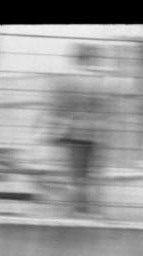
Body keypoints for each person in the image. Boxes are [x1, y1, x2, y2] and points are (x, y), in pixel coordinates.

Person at [47, 42, 111, 216]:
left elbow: (58, 107)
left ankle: (76, 209)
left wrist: (54, 131)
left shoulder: (66, 79)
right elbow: (107, 107)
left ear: (76, 58)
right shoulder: (101, 80)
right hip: (97, 132)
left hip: (75, 132)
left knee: (76, 174)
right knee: (92, 174)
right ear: (91, 58)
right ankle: (92, 210)